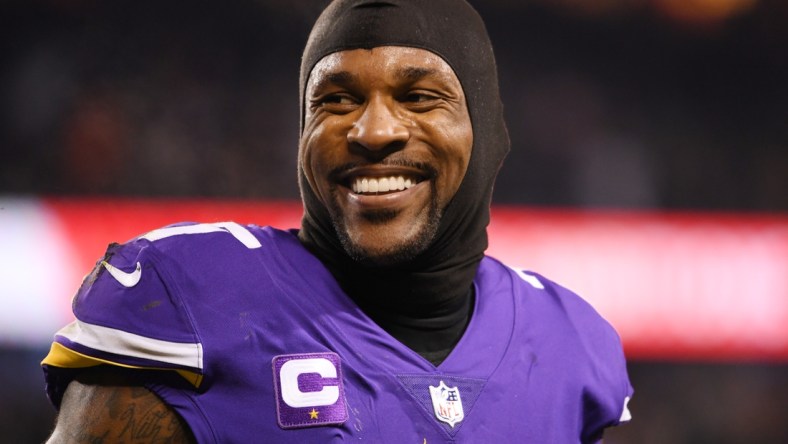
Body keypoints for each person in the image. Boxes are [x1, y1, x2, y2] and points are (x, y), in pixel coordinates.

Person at [42, 0, 633, 442]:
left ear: (486, 135)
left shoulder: (572, 345)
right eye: (337, 100)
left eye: (421, 97)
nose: (374, 132)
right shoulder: (188, 297)